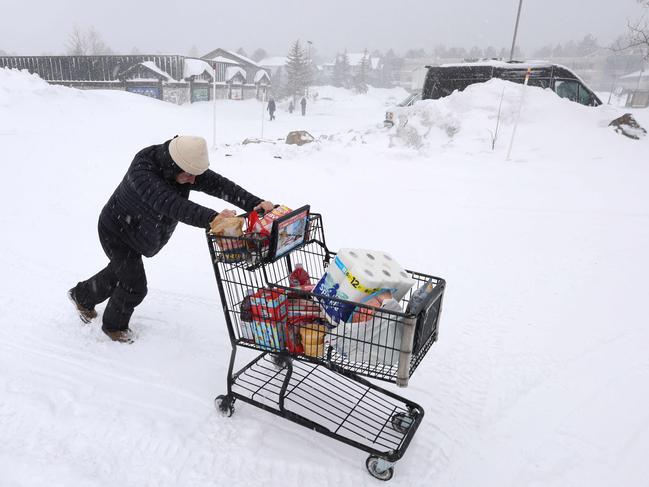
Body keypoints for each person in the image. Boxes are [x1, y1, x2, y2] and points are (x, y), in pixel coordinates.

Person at [68, 135, 274, 343]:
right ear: (174, 165)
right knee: (134, 285)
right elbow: (173, 205)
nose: (194, 180)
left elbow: (219, 185)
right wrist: (214, 219)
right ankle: (113, 327)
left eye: (196, 175)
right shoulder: (143, 170)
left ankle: (82, 296)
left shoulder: (183, 166)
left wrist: (254, 203)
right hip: (116, 231)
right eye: (189, 175)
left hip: (140, 232)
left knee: (121, 271)